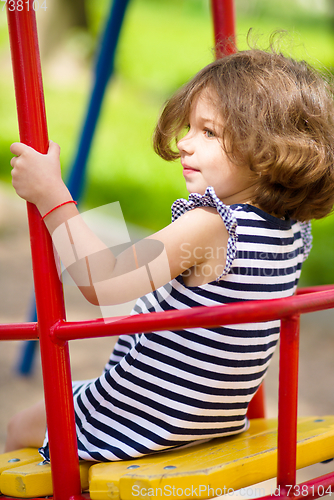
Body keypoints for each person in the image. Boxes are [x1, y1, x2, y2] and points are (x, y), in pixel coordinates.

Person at [6, 45, 334, 462]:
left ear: (268, 152)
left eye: (209, 132)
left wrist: (53, 196)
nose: (185, 144)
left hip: (143, 416)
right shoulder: (291, 231)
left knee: (20, 429)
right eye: (190, 128)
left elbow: (104, 282)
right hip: (215, 418)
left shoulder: (213, 224)